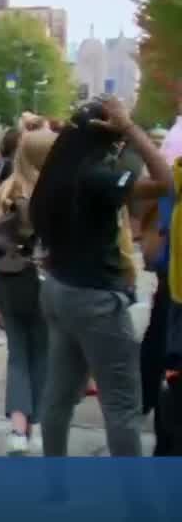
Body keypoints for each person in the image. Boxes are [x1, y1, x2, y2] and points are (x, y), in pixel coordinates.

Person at [32, 96, 171, 458]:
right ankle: (138, 509)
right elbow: (165, 181)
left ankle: (54, 486)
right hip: (96, 298)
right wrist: (129, 128)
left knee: (59, 395)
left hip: (60, 288)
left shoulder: (58, 171)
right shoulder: (97, 178)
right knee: (122, 406)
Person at [0, 129, 56, 454]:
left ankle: (17, 429)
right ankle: (40, 426)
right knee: (43, 352)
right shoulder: (54, 191)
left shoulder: (5, 189)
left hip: (8, 276)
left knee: (17, 353)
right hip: (44, 277)